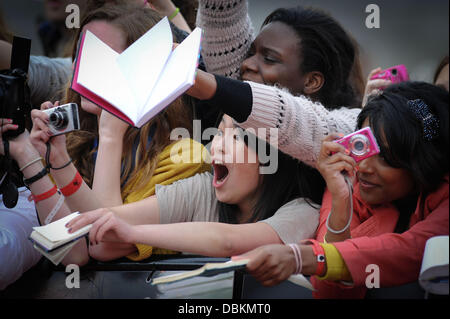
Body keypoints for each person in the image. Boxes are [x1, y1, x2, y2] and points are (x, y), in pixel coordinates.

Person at [12, 3, 209, 265]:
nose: (82, 71)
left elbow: (103, 245)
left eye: (101, 58)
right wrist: (39, 158)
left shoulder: (186, 156)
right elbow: (70, 252)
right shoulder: (75, 144)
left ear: (146, 75)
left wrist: (111, 138)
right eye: (81, 56)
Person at [232, 81, 449, 298]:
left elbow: (412, 251)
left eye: (385, 157)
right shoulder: (347, 179)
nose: (363, 167)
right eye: (363, 147)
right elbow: (329, 293)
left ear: (424, 159)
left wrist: (303, 257)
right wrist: (340, 201)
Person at [65, 113, 325, 258]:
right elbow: (105, 224)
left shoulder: (304, 211)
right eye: (220, 132)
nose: (217, 145)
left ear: (271, 155)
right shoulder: (203, 190)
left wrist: (133, 233)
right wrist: (56, 160)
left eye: (236, 136)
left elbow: (228, 243)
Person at [190, 1, 363, 165]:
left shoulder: (355, 127)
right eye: (250, 53)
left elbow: (290, 118)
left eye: (269, 59)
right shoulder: (244, 89)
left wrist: (200, 80)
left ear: (312, 81)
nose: (246, 64)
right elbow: (221, 19)